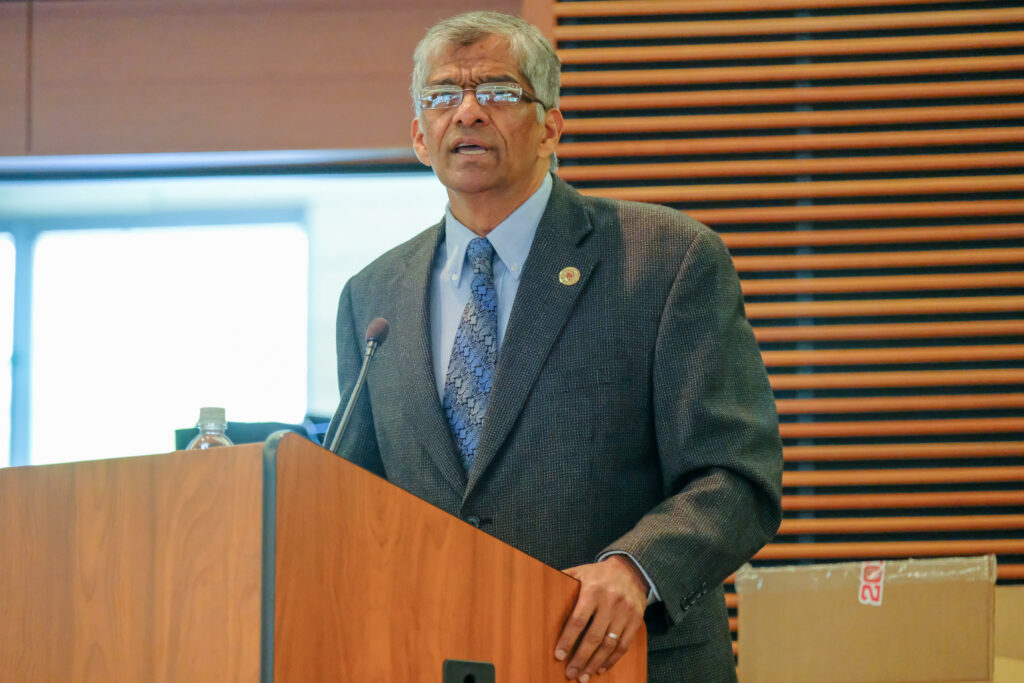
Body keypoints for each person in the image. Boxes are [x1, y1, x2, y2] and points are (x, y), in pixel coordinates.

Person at [325, 11, 783, 683]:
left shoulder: (667, 260)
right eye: (444, 95)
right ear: (420, 136)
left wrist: (636, 567)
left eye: (500, 92)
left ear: (551, 127)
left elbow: (737, 474)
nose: (470, 112)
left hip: (623, 664)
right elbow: (356, 505)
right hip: (440, 660)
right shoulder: (372, 297)